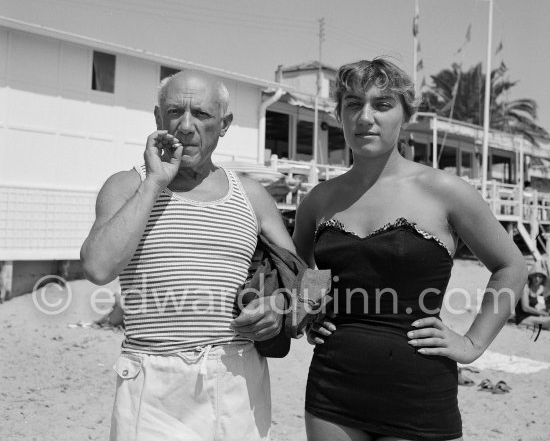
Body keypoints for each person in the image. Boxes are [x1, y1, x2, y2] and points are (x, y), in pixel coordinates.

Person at [292, 58, 527, 441]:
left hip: (419, 389)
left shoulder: (445, 191)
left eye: (382, 105)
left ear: (407, 116)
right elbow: (303, 263)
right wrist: (309, 313)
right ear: (339, 114)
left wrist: (472, 343)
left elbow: (511, 266)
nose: (365, 117)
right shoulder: (319, 200)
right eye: (353, 104)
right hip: (332, 386)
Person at [80, 70, 295, 441]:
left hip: (239, 378)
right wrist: (154, 182)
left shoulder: (252, 195)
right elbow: (98, 267)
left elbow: (307, 276)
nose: (185, 125)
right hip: (152, 380)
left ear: (224, 124)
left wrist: (279, 305)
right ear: (158, 118)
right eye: (175, 112)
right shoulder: (126, 185)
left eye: (202, 115)